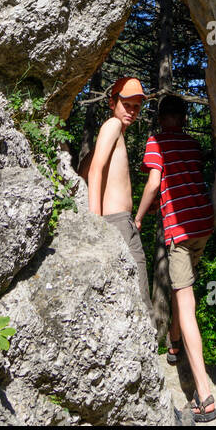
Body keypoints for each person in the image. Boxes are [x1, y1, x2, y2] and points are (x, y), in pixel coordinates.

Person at [136, 93, 216, 422]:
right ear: (183, 118)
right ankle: (174, 346)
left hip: (180, 233)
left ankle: (205, 394)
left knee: (186, 303)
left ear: (159, 118)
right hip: (203, 226)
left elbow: (155, 183)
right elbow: (183, 181)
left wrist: (139, 216)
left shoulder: (156, 141)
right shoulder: (191, 146)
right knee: (179, 285)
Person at [87, 75, 154, 325]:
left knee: (131, 290)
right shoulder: (112, 126)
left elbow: (88, 168)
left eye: (137, 106)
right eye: (127, 104)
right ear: (112, 102)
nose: (132, 111)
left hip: (121, 222)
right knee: (139, 292)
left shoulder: (114, 131)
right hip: (115, 222)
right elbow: (95, 170)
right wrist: (94, 223)